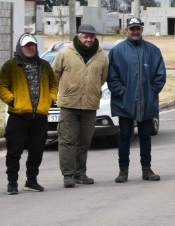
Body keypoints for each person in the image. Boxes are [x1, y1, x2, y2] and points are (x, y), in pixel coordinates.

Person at [107, 17, 166, 183]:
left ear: (142, 29)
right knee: (125, 136)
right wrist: (123, 92)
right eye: (132, 28)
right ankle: (123, 170)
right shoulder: (117, 51)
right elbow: (112, 77)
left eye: (138, 28)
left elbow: (160, 75)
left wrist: (152, 92)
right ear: (127, 30)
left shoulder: (153, 51)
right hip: (125, 103)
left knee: (145, 137)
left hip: (146, 102)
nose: (135, 32)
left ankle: (146, 169)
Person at [0, 33, 58, 195]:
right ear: (21, 47)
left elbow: (54, 84)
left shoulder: (45, 66)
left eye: (32, 45)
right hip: (18, 117)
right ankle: (12, 183)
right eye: (26, 45)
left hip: (39, 117)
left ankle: (31, 181)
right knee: (14, 152)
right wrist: (12, 100)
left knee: (37, 151)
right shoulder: (10, 66)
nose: (30, 48)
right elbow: (2, 85)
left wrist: (50, 99)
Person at [52, 23, 109, 188]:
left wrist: (92, 90)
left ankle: (80, 173)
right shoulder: (65, 53)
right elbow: (54, 75)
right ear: (78, 36)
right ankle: (68, 175)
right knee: (67, 140)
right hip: (69, 104)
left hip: (90, 105)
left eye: (91, 36)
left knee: (84, 141)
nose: (89, 39)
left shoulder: (102, 56)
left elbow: (102, 78)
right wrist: (64, 90)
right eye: (85, 36)